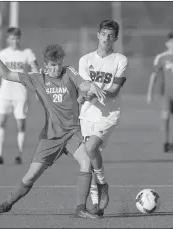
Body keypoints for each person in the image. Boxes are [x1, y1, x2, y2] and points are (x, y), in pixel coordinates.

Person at [0, 38, 107, 219]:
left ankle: (80, 208)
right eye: (53, 65)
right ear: (45, 65)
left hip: (72, 133)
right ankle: (7, 204)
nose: (57, 68)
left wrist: (92, 86)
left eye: (59, 64)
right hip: (50, 137)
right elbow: (6, 74)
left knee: (86, 161)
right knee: (30, 176)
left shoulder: (69, 72)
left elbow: (83, 84)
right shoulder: (37, 78)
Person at [78, 20, 128, 216]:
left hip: (108, 114)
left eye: (111, 35)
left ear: (116, 38)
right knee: (87, 160)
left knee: (90, 148)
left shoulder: (120, 60)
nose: (107, 38)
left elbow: (114, 91)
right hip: (87, 114)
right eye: (104, 34)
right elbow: (82, 85)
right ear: (97, 35)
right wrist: (87, 91)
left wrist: (96, 90)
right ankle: (97, 206)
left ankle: (103, 184)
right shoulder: (85, 60)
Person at [0, 27, 39, 165]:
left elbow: (35, 71)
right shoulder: (3, 54)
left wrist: (38, 89)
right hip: (5, 93)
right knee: (1, 121)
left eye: (17, 38)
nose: (15, 41)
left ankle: (19, 155)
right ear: (8, 39)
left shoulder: (27, 53)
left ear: (20, 39)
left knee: (20, 124)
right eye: (12, 38)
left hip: (20, 94)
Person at [147, 31, 173, 152]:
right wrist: (149, 93)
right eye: (171, 41)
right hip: (167, 94)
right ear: (167, 43)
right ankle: (166, 142)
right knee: (166, 117)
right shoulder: (161, 57)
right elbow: (154, 76)